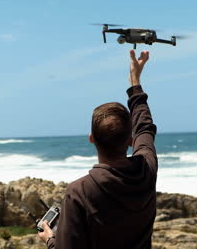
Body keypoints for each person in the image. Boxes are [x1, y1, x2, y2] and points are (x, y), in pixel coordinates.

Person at [38, 49, 157, 249]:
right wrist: (135, 81)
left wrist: (49, 239)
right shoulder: (147, 169)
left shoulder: (80, 192)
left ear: (91, 139)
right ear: (130, 140)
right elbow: (145, 127)